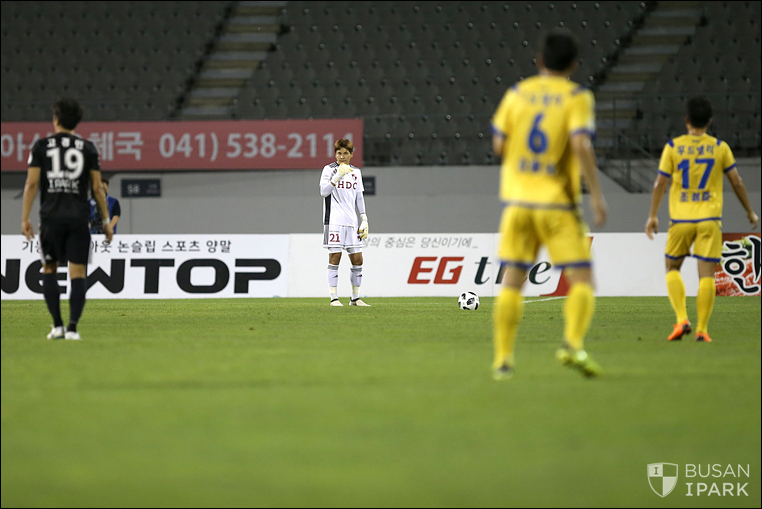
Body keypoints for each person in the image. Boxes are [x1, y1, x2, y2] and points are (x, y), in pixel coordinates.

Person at [490, 28, 607, 380]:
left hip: (519, 203)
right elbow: (581, 144)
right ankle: (571, 344)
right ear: (574, 64)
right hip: (557, 204)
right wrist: (596, 194)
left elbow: (499, 145)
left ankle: (503, 361)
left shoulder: (517, 93)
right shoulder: (577, 97)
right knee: (582, 279)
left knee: (512, 282)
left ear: (539, 60)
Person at [645, 96, 759, 343]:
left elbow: (660, 183)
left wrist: (653, 215)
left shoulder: (673, 147)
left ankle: (681, 319)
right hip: (709, 219)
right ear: (709, 121)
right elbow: (737, 181)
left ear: (687, 120)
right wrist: (749, 211)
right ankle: (702, 330)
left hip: (681, 220)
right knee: (706, 275)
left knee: (672, 267)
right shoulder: (720, 147)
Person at [21, 97, 113, 341]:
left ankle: (57, 325)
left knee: (49, 268)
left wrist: (25, 218)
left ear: (56, 119)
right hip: (78, 218)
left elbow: (31, 184)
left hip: (50, 218)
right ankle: (72, 328)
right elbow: (97, 188)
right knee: (78, 272)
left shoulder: (41, 147)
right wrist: (105, 221)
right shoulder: (88, 148)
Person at [319, 138, 370, 306]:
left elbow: (359, 197)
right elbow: (324, 192)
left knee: (358, 259)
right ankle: (334, 298)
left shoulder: (356, 172)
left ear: (351, 154)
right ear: (335, 154)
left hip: (351, 221)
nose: (342, 156)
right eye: (339, 153)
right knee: (335, 256)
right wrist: (337, 176)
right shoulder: (329, 169)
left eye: (345, 153)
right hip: (334, 221)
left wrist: (364, 218)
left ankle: (355, 298)